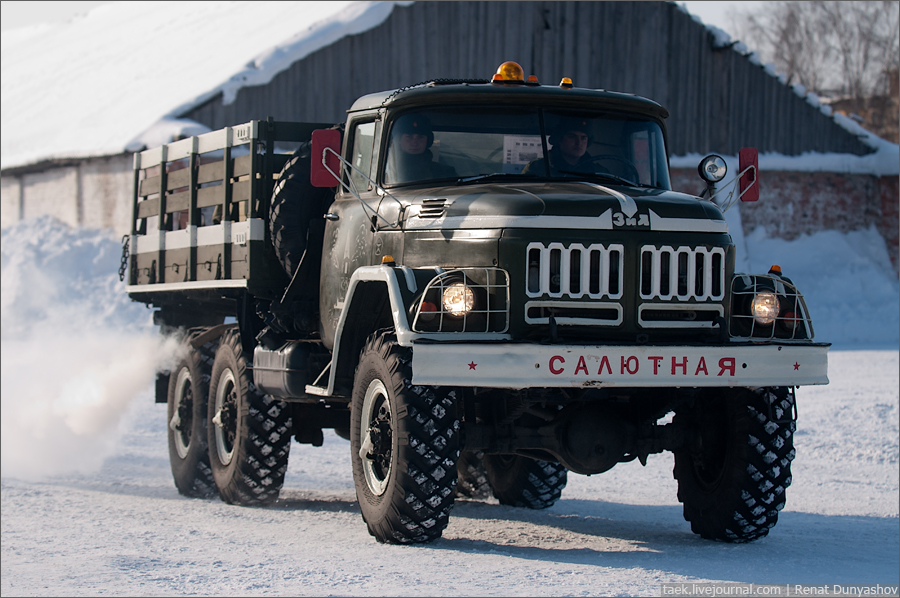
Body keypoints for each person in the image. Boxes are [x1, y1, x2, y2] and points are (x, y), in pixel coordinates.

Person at [385, 114, 457, 184]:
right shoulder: (387, 173)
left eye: (421, 137)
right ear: (399, 140)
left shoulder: (445, 172)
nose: (414, 143)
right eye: (409, 137)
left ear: (428, 141)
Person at [522, 117, 596, 177]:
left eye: (583, 138)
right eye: (572, 137)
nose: (578, 142)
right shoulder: (537, 168)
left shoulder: (596, 171)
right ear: (560, 140)